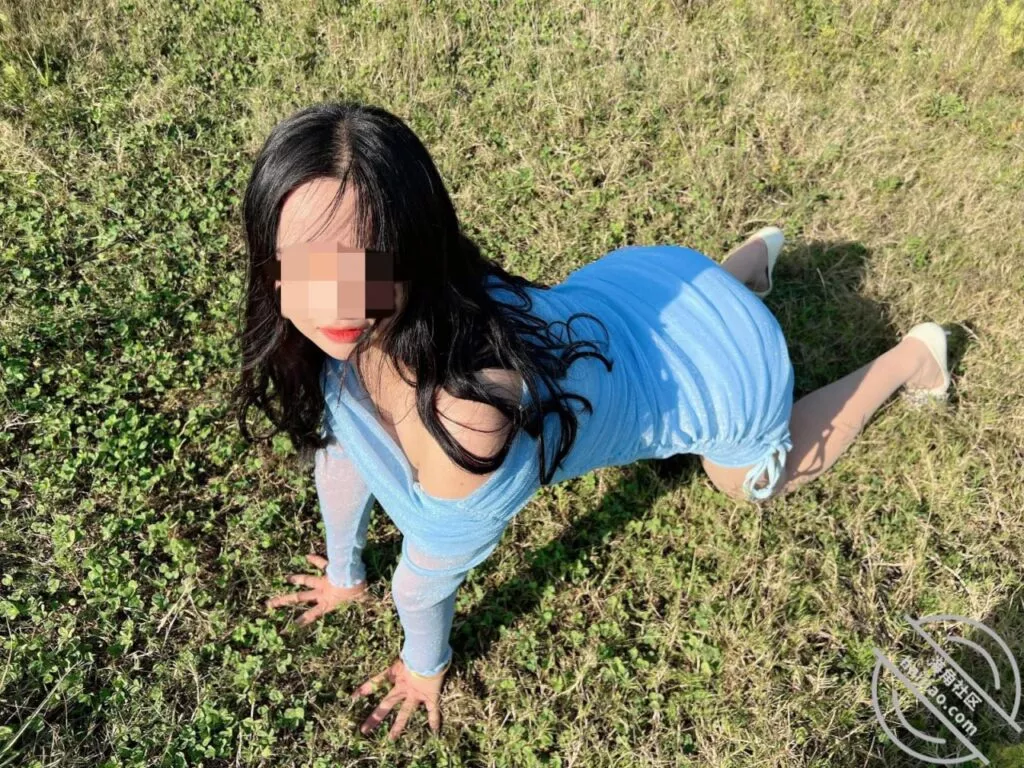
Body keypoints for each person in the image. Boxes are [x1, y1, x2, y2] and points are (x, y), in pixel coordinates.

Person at [232, 102, 952, 742]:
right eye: (307, 265)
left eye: (366, 262)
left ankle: (909, 360)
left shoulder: (469, 413)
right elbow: (345, 447)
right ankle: (744, 273)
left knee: (746, 481)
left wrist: (425, 668)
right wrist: (346, 570)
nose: (336, 302)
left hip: (722, 374)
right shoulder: (370, 326)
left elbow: (422, 585)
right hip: (655, 284)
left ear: (419, 249)